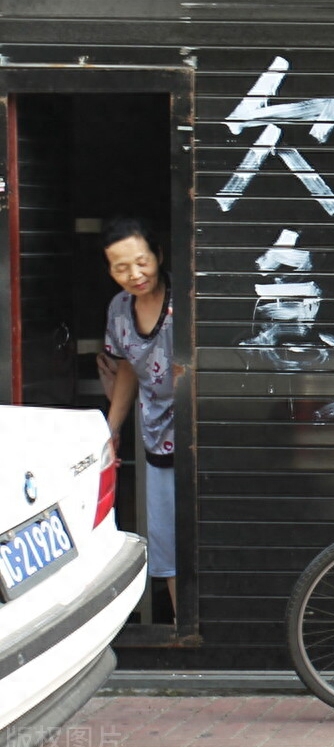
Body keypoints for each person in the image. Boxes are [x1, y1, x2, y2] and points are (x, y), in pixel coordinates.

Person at [99, 216, 176, 616]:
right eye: (121, 268)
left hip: (200, 433)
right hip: (157, 436)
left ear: (158, 255)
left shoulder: (186, 299)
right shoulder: (119, 309)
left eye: (141, 262)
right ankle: (183, 624)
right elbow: (127, 368)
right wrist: (111, 430)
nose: (134, 274)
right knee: (169, 546)